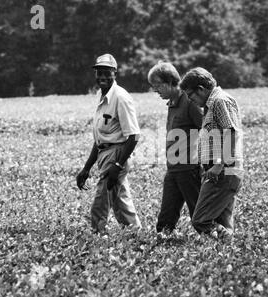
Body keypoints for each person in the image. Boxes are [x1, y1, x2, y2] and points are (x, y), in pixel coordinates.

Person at [76, 53, 142, 234]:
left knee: (100, 201)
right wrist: (86, 168)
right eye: (99, 72)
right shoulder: (101, 95)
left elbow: (133, 136)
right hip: (105, 155)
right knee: (120, 199)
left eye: (107, 72)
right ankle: (134, 233)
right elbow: (100, 140)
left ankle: (97, 234)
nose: (102, 77)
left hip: (117, 155)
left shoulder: (121, 97)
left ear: (115, 73)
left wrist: (118, 165)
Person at [179, 67, 244, 241]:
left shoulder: (219, 101)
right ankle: (227, 253)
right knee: (222, 220)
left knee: (200, 220)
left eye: (191, 95)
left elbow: (231, 132)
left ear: (200, 89)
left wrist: (218, 164)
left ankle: (226, 243)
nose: (191, 100)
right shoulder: (212, 104)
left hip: (224, 170)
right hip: (221, 170)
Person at [147, 62, 203, 238]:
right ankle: (164, 238)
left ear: (170, 81)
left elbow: (207, 129)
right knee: (166, 217)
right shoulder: (171, 103)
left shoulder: (189, 101)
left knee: (199, 215)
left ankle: (214, 241)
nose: (155, 90)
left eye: (157, 85)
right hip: (173, 168)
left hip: (188, 168)